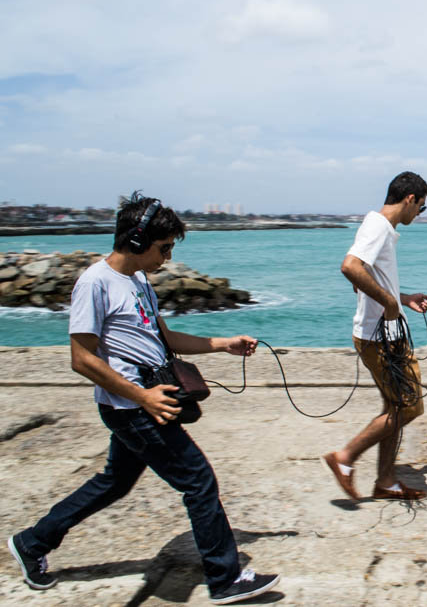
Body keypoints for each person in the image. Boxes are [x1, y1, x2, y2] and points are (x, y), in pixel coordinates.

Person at [6, 193, 279, 604]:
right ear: (136, 241)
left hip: (141, 402)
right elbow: (81, 358)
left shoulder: (137, 281)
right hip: (133, 407)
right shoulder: (95, 283)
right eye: (164, 248)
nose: (168, 257)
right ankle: (225, 579)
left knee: (114, 482)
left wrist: (224, 344)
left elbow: (165, 338)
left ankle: (32, 543)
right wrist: (142, 397)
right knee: (199, 482)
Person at [323, 171, 427, 501]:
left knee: (395, 407)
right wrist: (389, 303)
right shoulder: (378, 226)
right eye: (421, 207)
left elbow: (363, 279)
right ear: (410, 199)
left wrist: (403, 298)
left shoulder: (381, 228)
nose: (419, 214)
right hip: (379, 338)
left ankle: (386, 481)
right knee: (409, 406)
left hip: (381, 334)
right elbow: (350, 267)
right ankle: (345, 457)